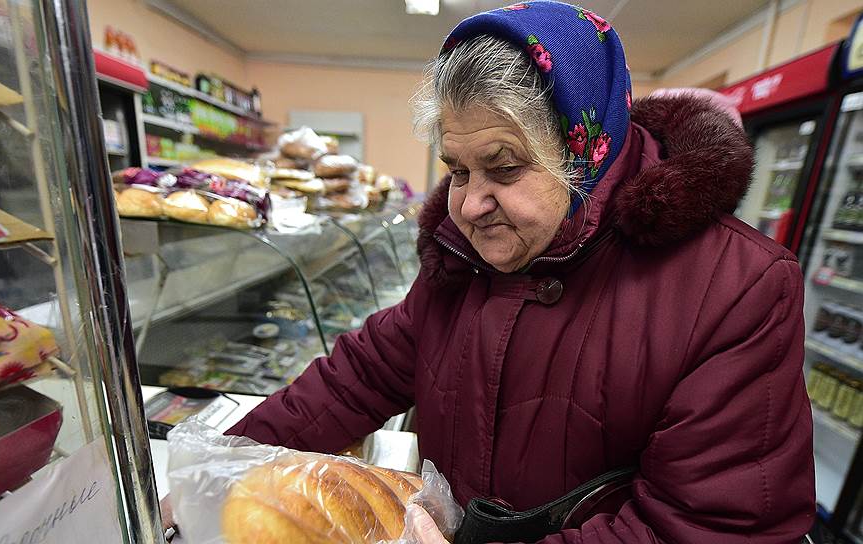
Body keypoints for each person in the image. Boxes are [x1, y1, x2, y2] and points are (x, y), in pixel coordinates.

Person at [225, 2, 816, 542]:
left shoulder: (739, 290)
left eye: (503, 168)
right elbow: (361, 373)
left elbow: (710, 527)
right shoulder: (462, 256)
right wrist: (222, 464)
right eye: (456, 169)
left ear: (586, 152)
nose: (468, 206)